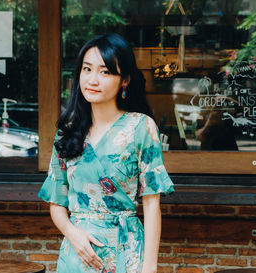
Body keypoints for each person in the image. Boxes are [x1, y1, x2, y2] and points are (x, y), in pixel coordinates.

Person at [38, 33, 174, 273]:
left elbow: (152, 204)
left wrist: (149, 267)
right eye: (87, 69)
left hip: (128, 252)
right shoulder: (67, 133)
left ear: (125, 80)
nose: (93, 79)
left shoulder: (140, 127)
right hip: (77, 255)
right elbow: (56, 202)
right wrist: (73, 234)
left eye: (105, 72)